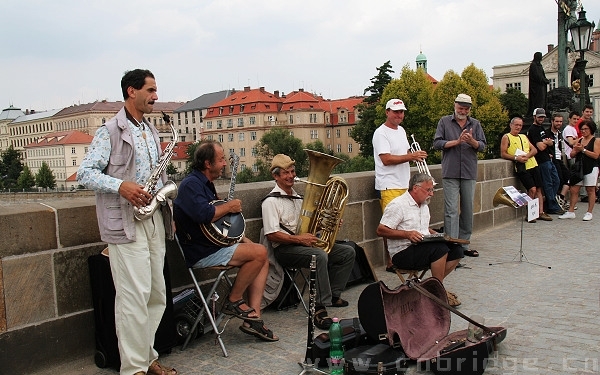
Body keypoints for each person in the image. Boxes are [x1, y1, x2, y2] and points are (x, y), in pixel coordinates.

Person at [77, 69, 177, 375]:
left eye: (156, 90)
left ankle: (147, 357)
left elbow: (157, 174)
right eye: (151, 90)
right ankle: (134, 368)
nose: (156, 96)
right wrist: (122, 186)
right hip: (124, 221)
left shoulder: (152, 131)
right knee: (133, 297)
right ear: (131, 91)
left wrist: (163, 193)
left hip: (153, 217)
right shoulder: (109, 131)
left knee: (156, 293)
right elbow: (85, 173)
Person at [173, 141, 278, 342]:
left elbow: (218, 226)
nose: (224, 164)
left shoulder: (204, 183)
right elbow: (205, 214)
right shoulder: (191, 185)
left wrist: (243, 238)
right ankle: (233, 299)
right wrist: (229, 207)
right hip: (202, 252)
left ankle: (253, 318)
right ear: (207, 163)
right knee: (259, 253)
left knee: (261, 255)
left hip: (213, 245)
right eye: (220, 160)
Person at [261, 154, 355, 330]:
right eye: (285, 173)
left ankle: (333, 294)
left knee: (347, 252)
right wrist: (299, 239)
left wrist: (330, 222)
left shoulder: (298, 198)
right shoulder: (270, 202)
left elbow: (309, 227)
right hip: (284, 250)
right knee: (319, 256)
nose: (291, 176)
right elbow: (272, 234)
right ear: (276, 176)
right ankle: (319, 307)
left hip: (302, 245)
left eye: (292, 171)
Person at [376, 173, 463, 307]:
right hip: (402, 252)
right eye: (428, 190)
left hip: (421, 246)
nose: (431, 194)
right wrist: (406, 234)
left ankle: (432, 287)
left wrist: (439, 236)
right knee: (439, 250)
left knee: (457, 249)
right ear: (415, 188)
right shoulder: (398, 205)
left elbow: (423, 228)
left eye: (432, 190)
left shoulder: (423, 205)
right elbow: (381, 230)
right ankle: (438, 291)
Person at [373, 98, 427, 271]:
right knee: (390, 225)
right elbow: (386, 159)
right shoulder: (381, 133)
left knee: (406, 223)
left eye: (402, 112)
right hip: (389, 184)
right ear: (387, 112)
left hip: (404, 183)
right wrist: (411, 157)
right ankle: (391, 261)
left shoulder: (401, 130)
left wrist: (414, 154)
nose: (399, 115)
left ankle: (406, 258)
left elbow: (404, 153)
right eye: (396, 111)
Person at [433, 93, 486, 257]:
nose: (462, 111)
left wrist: (472, 142)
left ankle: (464, 244)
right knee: (451, 210)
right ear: (455, 106)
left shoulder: (475, 124)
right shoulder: (444, 121)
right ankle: (451, 246)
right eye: (460, 108)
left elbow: (483, 146)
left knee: (468, 209)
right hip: (451, 171)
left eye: (465, 109)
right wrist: (456, 142)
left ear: (469, 110)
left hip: (469, 171)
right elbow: (437, 143)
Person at [500, 116, 549, 222]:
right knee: (532, 189)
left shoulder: (523, 136)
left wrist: (527, 156)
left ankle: (540, 212)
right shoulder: (506, 137)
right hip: (522, 167)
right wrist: (516, 158)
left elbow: (534, 149)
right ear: (511, 125)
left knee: (539, 189)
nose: (518, 127)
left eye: (520, 125)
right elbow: (503, 153)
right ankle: (530, 213)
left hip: (532, 164)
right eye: (516, 125)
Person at [559, 119, 600, 221]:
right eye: (582, 129)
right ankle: (571, 211)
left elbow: (596, 155)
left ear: (591, 129)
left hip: (591, 166)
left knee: (590, 189)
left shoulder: (596, 140)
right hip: (579, 167)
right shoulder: (580, 140)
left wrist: (584, 150)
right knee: (574, 189)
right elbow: (571, 154)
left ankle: (589, 212)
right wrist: (576, 150)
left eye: (586, 129)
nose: (583, 131)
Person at [527, 108, 563, 216]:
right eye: (539, 117)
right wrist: (547, 142)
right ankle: (552, 206)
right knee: (548, 183)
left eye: (543, 117)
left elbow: (551, 143)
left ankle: (550, 202)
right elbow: (541, 147)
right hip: (541, 160)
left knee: (556, 181)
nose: (541, 119)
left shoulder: (541, 127)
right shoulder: (533, 129)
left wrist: (547, 142)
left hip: (548, 158)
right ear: (534, 117)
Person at [548, 113, 570, 209]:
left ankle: (561, 198)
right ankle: (557, 201)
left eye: (560, 121)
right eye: (557, 121)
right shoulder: (547, 133)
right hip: (553, 160)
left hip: (559, 158)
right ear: (552, 121)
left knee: (569, 178)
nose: (559, 123)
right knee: (558, 180)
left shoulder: (559, 133)